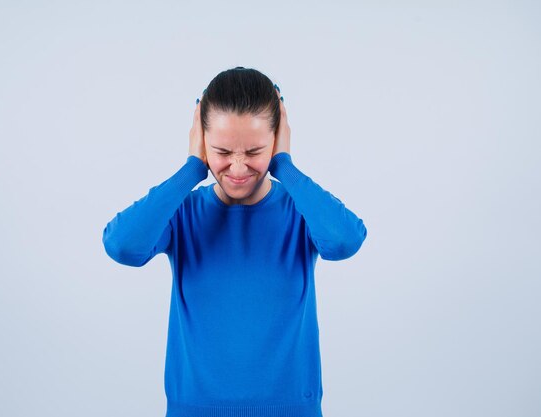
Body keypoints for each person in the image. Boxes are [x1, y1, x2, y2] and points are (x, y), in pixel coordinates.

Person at [102, 66, 367, 417]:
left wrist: (285, 166)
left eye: (255, 150)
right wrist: (192, 168)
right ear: (201, 141)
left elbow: (345, 240)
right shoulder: (183, 214)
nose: (239, 168)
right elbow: (122, 246)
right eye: (223, 152)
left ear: (277, 140)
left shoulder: (300, 211)